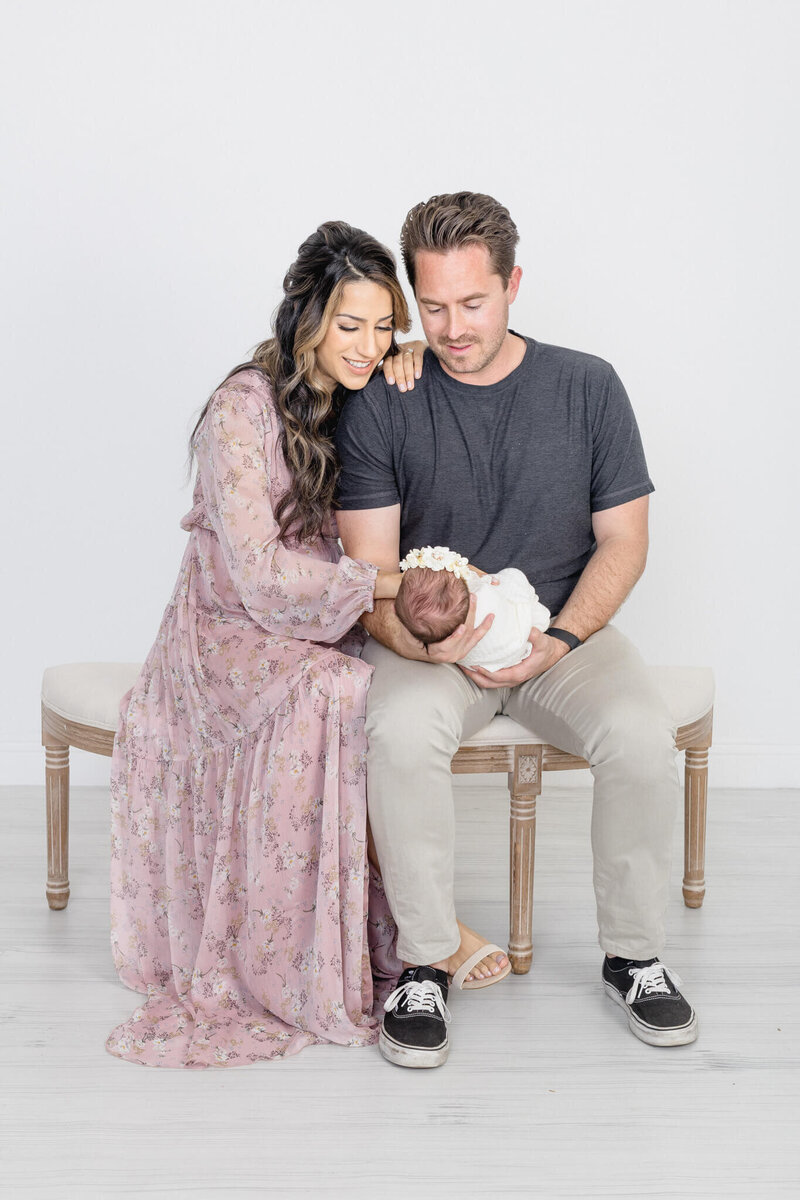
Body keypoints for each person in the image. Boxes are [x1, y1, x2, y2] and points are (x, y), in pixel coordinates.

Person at [335, 191, 698, 1070]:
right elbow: (369, 573)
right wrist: (431, 645)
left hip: (558, 631)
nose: (452, 328)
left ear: (514, 285)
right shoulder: (387, 397)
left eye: (474, 302)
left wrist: (563, 640)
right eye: (434, 307)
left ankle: (634, 955)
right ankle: (424, 962)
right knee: (397, 727)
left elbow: (625, 541)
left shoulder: (587, 385)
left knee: (643, 734)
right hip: (433, 643)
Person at [106, 221, 414, 1068]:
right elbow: (259, 577)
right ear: (305, 317)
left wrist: (406, 360)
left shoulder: (365, 386)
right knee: (337, 691)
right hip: (221, 632)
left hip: (315, 617)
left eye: (384, 325)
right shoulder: (243, 407)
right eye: (348, 325)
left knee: (363, 680)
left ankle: (394, 923)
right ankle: (289, 957)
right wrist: (380, 585)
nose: (368, 345)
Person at [394, 545, 550, 671]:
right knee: (511, 578)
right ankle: (539, 618)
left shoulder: (444, 639)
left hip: (486, 665)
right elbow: (480, 579)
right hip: (521, 638)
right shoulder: (478, 595)